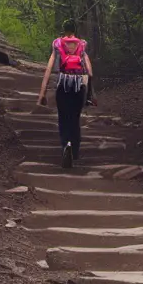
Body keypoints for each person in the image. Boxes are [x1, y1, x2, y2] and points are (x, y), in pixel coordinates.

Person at [36, 20, 95, 171]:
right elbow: (89, 70)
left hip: (62, 85)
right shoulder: (82, 44)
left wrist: (42, 94)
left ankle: (65, 146)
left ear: (64, 30)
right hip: (78, 86)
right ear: (75, 30)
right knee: (74, 118)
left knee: (63, 117)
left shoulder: (56, 44)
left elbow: (49, 69)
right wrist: (90, 93)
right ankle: (74, 150)